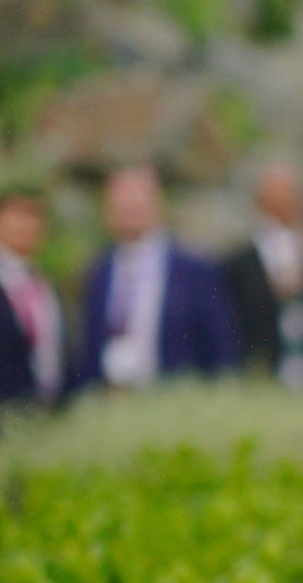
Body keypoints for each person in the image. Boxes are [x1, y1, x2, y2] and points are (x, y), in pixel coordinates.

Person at [79, 165, 239, 388]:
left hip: (174, 404)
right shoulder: (99, 272)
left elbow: (221, 353)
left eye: (138, 197)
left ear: (158, 203)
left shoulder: (195, 272)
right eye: (121, 197)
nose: (129, 205)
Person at [222, 160, 303, 389]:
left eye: (291, 193)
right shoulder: (241, 263)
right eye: (275, 194)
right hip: (259, 375)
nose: (285, 201)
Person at [0, 184, 66, 406]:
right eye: (17, 215)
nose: (26, 225)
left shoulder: (46, 287)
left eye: (34, 216)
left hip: (45, 415)